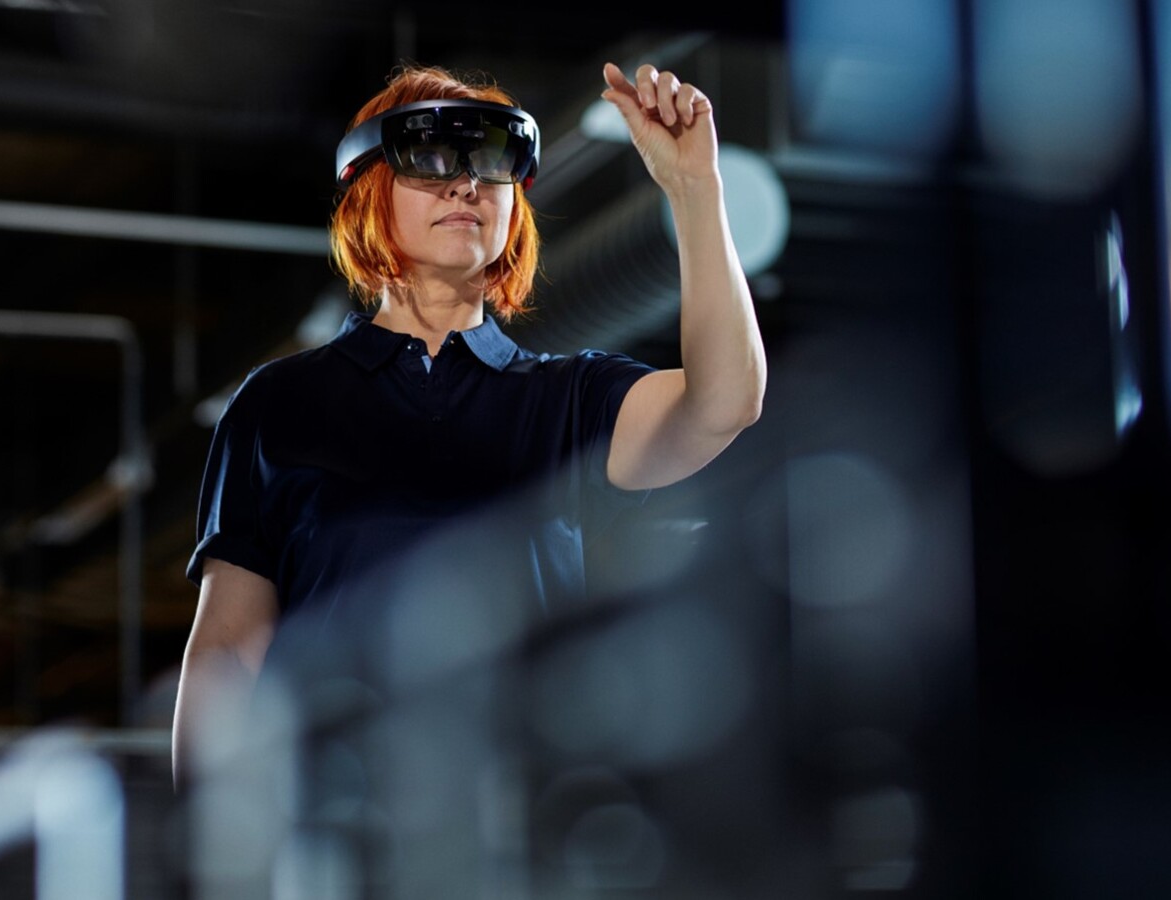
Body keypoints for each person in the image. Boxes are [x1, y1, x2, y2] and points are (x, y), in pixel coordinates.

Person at [172, 62, 766, 786]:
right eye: (428, 158)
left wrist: (694, 188)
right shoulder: (279, 406)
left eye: (489, 163)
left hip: (527, 838)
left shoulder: (569, 399)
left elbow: (725, 401)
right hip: (340, 840)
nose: (467, 185)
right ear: (366, 189)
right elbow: (229, 658)